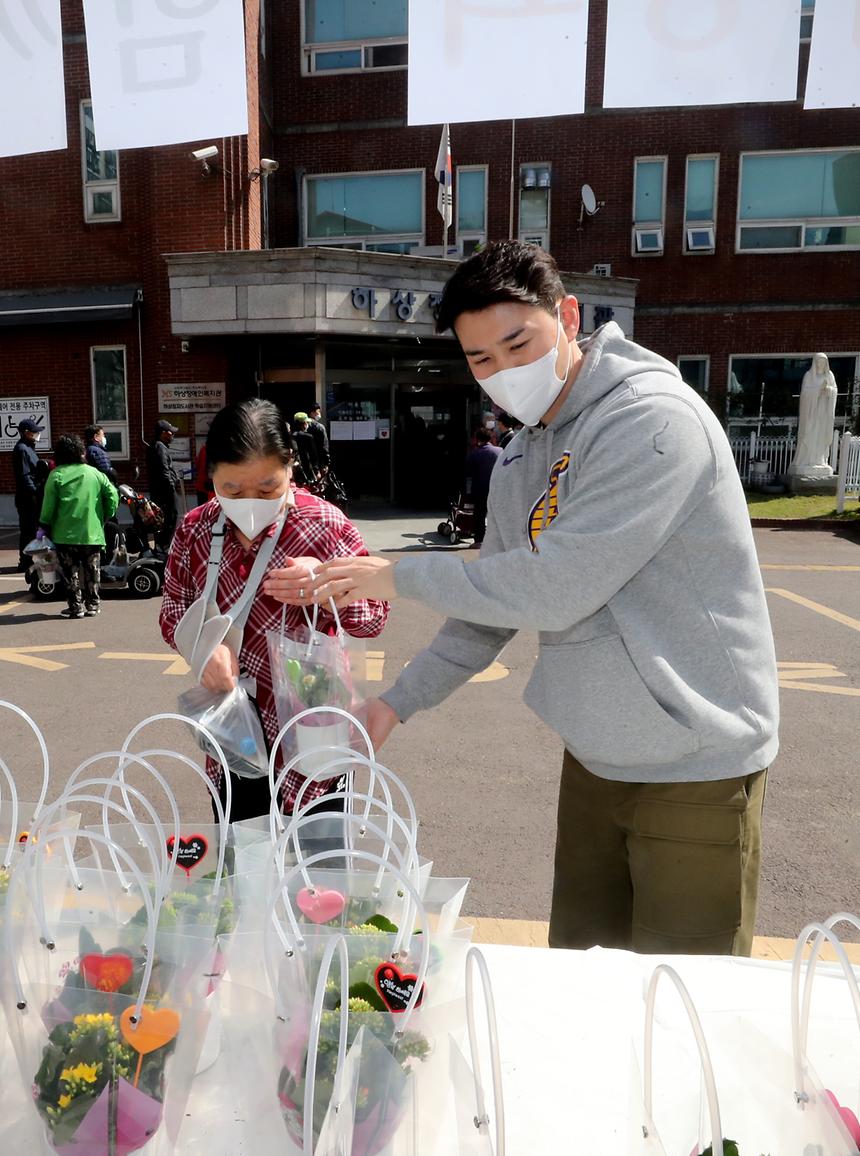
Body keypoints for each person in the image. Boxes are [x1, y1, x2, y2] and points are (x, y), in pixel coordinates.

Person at [303, 241, 779, 958]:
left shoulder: (650, 422)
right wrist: (393, 703)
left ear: (568, 316)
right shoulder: (525, 454)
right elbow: (491, 605)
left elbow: (554, 588)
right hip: (596, 754)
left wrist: (394, 573)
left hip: (696, 760)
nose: (503, 371)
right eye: (481, 359)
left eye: (518, 342)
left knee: (688, 996)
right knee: (583, 972)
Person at [160, 398, 389, 822]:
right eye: (232, 489)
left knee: (318, 870)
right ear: (211, 476)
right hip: (233, 730)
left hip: (313, 728)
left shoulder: (324, 523)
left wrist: (327, 582)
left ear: (290, 467)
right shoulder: (195, 529)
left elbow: (373, 617)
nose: (250, 501)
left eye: (268, 488)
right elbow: (173, 610)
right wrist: (203, 650)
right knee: (243, 862)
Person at [38, 433, 118, 618]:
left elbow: (48, 506)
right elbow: (112, 496)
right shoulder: (95, 473)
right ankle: (94, 604)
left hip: (65, 534)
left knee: (70, 571)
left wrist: (44, 524)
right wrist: (106, 515)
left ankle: (76, 607)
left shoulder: (56, 475)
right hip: (92, 532)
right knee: (92, 569)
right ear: (81, 452)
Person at [789, 353, 839, 479]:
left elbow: (834, 391)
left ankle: (820, 460)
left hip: (823, 412)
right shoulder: (809, 376)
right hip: (811, 413)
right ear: (815, 362)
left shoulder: (830, 375)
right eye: (818, 361)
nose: (820, 364)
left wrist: (828, 390)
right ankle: (807, 459)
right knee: (810, 433)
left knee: (821, 435)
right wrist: (817, 390)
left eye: (823, 362)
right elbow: (805, 394)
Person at [12, 418, 45, 570]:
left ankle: (28, 559)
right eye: (35, 432)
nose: (37, 434)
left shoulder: (29, 447)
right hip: (27, 498)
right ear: (26, 433)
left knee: (32, 529)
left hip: (31, 495)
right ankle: (24, 562)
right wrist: (34, 494)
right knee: (27, 530)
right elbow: (25, 476)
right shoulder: (22, 449)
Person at [146, 419, 180, 551]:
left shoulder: (156, 446)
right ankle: (163, 546)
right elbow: (163, 470)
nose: (173, 435)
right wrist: (171, 487)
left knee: (163, 519)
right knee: (169, 518)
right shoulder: (159, 447)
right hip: (165, 492)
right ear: (163, 433)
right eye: (171, 432)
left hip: (159, 491)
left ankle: (161, 546)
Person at [464, 427, 501, 544]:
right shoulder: (500, 451)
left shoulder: (474, 454)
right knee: (496, 515)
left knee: (479, 515)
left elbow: (467, 473)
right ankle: (496, 539)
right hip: (497, 488)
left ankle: (479, 540)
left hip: (479, 490)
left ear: (477, 439)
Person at [291, 412, 320, 487]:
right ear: (304, 423)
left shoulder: (290, 436)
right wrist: (316, 470)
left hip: (294, 471)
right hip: (307, 470)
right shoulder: (308, 437)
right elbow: (313, 455)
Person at [307, 402, 331, 471]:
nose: (319, 414)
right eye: (318, 411)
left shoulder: (300, 427)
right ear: (312, 412)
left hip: (305, 461)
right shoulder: (319, 427)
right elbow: (324, 446)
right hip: (318, 461)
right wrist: (326, 462)